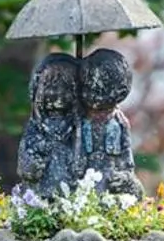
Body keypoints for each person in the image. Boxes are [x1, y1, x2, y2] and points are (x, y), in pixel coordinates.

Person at [76, 47, 142, 195]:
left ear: (121, 92)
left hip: (110, 170)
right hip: (86, 173)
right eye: (87, 87)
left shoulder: (119, 122)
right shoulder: (80, 119)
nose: (92, 95)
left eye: (99, 90)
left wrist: (125, 174)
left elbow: (126, 155)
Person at [16, 50, 82, 196]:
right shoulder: (36, 129)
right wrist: (32, 165)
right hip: (42, 194)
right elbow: (24, 165)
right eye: (52, 87)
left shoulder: (78, 128)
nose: (59, 93)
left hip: (72, 198)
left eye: (66, 87)